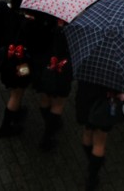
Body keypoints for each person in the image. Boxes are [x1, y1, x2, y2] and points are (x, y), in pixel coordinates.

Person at [0, 0, 52, 137]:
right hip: (21, 65)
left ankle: (13, 116)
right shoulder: (29, 22)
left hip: (6, 58)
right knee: (17, 93)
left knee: (14, 89)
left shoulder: (1, 7)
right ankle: (6, 127)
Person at [75, 81, 124, 190]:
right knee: (99, 143)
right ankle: (92, 177)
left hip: (85, 102)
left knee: (87, 132)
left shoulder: (85, 66)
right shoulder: (111, 71)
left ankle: (91, 159)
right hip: (102, 107)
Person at [32, 18, 73, 151]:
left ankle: (48, 120)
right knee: (58, 104)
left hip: (45, 67)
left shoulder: (45, 23)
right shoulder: (73, 30)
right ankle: (48, 136)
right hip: (62, 72)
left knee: (45, 98)